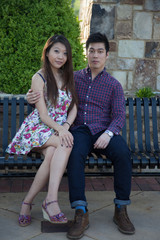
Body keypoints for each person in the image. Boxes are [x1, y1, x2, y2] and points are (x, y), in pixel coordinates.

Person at [26, 32, 135, 238]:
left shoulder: (114, 85)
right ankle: (80, 211)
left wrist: (110, 133)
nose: (95, 55)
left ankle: (121, 209)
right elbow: (50, 93)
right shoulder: (73, 77)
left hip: (103, 130)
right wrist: (30, 97)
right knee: (74, 154)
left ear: (106, 55)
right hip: (79, 130)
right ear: (86, 53)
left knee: (123, 154)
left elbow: (120, 115)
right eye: (91, 50)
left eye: (100, 51)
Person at [6, 34, 78, 227]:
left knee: (54, 151)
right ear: (47, 53)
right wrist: (61, 131)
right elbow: (44, 116)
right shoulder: (39, 77)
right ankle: (51, 201)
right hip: (39, 128)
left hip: (56, 131)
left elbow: (74, 108)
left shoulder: (68, 76)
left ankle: (27, 203)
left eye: (64, 53)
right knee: (65, 142)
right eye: (56, 51)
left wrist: (66, 127)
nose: (60, 56)